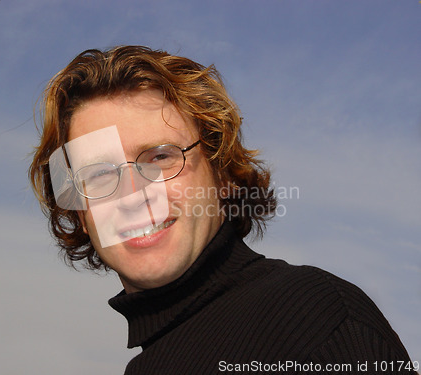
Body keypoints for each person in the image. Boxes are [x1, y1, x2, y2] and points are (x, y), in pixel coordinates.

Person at [29, 46, 417, 374]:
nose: (133, 194)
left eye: (161, 157)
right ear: (80, 211)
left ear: (224, 173)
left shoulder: (312, 318)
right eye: (98, 174)